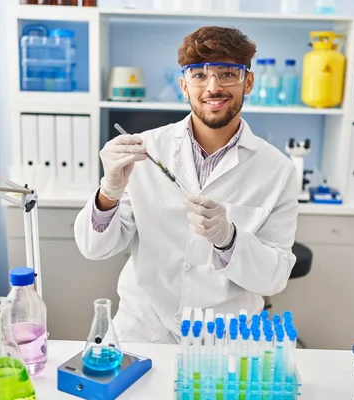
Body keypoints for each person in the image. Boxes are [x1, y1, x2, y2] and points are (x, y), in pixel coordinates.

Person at [74, 26, 298, 344]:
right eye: (199, 76)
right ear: (184, 85)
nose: (213, 87)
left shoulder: (278, 170)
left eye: (227, 73)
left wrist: (228, 238)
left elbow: (274, 277)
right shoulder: (144, 151)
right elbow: (94, 248)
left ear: (248, 82)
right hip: (141, 331)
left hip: (223, 340)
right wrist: (109, 192)